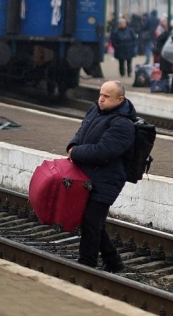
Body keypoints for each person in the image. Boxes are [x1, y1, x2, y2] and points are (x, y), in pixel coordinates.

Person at [67, 80, 135, 273]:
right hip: (89, 177)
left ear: (120, 99)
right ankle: (114, 262)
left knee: (91, 221)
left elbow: (103, 151)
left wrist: (76, 153)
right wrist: (72, 145)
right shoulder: (95, 110)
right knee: (92, 222)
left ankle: (86, 263)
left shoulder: (123, 124)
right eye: (100, 94)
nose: (101, 99)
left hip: (107, 180)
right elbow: (81, 131)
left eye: (106, 96)